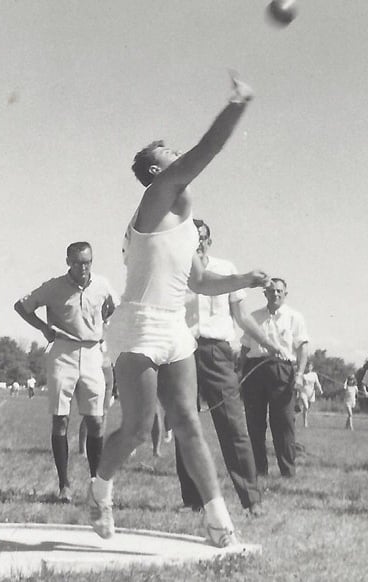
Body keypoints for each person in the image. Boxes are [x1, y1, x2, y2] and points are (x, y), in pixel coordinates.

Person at [88, 74, 268, 548]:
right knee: (138, 425)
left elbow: (200, 281)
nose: (177, 160)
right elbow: (207, 149)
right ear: (156, 173)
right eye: (169, 156)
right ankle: (100, 489)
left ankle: (217, 518)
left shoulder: (185, 226)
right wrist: (237, 104)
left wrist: (245, 279)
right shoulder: (153, 200)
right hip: (138, 325)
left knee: (188, 421)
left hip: (173, 327)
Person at [174, 218, 283, 515]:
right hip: (182, 350)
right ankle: (192, 500)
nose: (198, 243)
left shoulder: (226, 269)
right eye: (192, 238)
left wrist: (270, 344)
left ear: (210, 240)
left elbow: (243, 317)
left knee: (234, 425)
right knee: (186, 424)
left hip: (217, 352)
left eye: (203, 238)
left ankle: (251, 500)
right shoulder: (175, 269)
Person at [14, 241, 117, 503]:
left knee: (95, 419)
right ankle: (64, 484)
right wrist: (42, 328)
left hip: (93, 352)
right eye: (78, 262)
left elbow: (115, 307)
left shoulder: (102, 284)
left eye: (88, 262)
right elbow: (22, 306)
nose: (84, 267)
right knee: (61, 419)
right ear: (68, 262)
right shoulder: (54, 287)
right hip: (63, 352)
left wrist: (106, 321)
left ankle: (96, 484)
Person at [240, 277, 309, 478]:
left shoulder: (294, 317)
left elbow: (303, 348)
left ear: (285, 294)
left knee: (284, 423)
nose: (275, 294)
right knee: (254, 422)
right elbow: (244, 347)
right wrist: (239, 372)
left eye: (279, 291)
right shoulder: (253, 317)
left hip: (282, 370)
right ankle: (259, 470)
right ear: (265, 294)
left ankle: (288, 471)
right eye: (271, 291)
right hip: (254, 370)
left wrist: (299, 375)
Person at [295, 361, 323, 428]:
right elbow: (298, 383)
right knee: (306, 406)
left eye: (310, 366)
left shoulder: (314, 374)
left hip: (311, 393)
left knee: (306, 409)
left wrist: (320, 390)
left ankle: (304, 422)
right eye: (307, 366)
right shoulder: (302, 374)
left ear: (312, 367)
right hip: (303, 392)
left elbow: (317, 383)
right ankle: (301, 421)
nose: (308, 368)